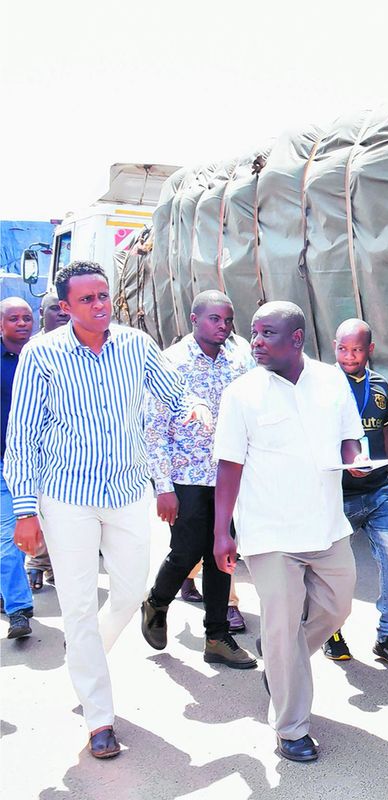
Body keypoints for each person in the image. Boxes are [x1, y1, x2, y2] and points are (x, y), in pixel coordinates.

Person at [5, 261, 211, 759]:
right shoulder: (42, 355)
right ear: (65, 307)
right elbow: (23, 436)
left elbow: (173, 392)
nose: (100, 306)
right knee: (77, 604)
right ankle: (100, 719)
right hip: (66, 497)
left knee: (127, 593)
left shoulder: (135, 345)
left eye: (104, 296)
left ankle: (84, 653)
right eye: (87, 300)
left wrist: (195, 407)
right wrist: (26, 511)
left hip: (125, 493)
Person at [212, 301, 369, 763]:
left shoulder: (329, 379)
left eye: (267, 334)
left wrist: (355, 458)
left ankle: (280, 661)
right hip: (271, 534)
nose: (255, 342)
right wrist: (224, 533)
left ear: (296, 339)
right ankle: (291, 727)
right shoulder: (241, 394)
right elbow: (228, 465)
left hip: (326, 525)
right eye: (254, 333)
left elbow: (349, 435)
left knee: (337, 608)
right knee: (282, 627)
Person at [140, 290, 256, 668]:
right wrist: (163, 488)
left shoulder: (239, 362)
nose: (223, 326)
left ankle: (217, 637)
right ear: (194, 320)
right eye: (214, 319)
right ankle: (157, 602)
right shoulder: (170, 363)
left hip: (228, 474)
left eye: (227, 320)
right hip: (185, 475)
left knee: (222, 556)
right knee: (187, 551)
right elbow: (154, 429)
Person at [321, 319, 388, 670]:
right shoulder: (322, 386)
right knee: (335, 573)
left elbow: (384, 432)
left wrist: (385, 470)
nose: (349, 357)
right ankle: (331, 631)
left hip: (379, 492)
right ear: (333, 346)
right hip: (336, 495)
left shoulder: (380, 385)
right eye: (342, 349)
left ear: (370, 350)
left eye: (357, 350)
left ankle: (386, 636)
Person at [24, 291, 68, 591]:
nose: (61, 314)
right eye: (54, 309)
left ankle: (56, 566)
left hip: (69, 449)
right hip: (39, 445)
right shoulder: (32, 349)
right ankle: (39, 563)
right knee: (42, 508)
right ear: (43, 313)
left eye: (63, 309)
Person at [1, 297, 35, 638]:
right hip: (5, 465)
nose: (23, 323)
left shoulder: (45, 357)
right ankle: (19, 610)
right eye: (14, 318)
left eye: (27, 317)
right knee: (9, 538)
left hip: (45, 463)